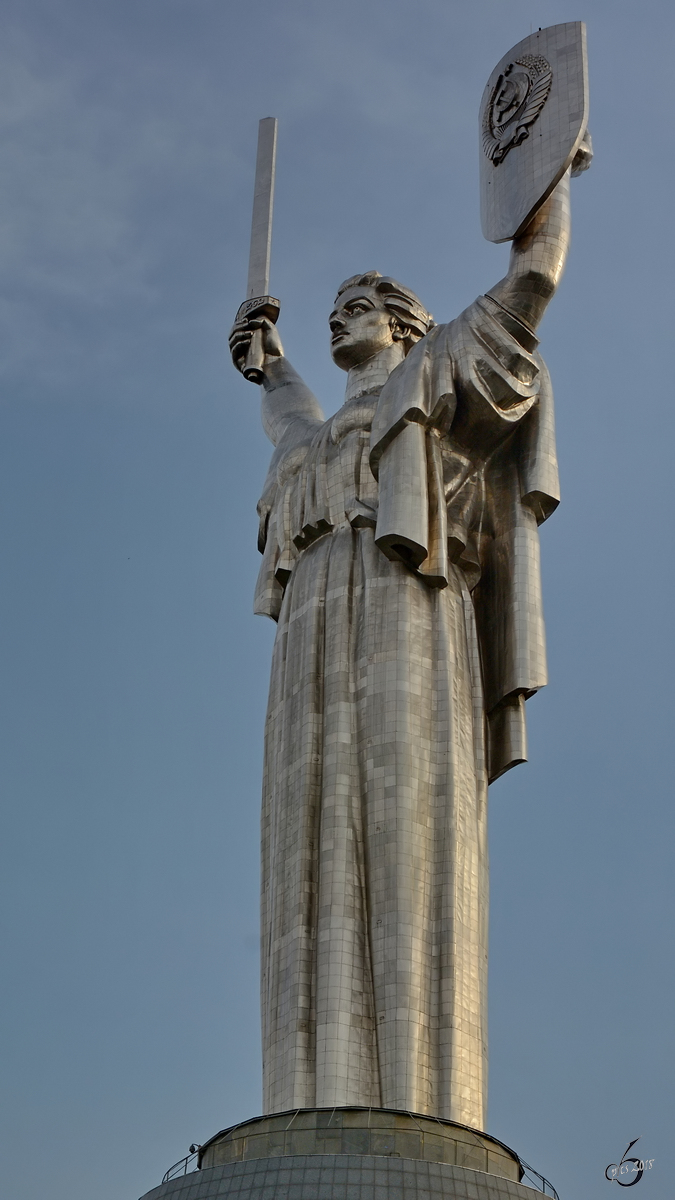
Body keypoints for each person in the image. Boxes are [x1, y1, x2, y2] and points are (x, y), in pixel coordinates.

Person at [229, 141, 590, 1129]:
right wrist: (268, 361)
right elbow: (286, 414)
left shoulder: (433, 375)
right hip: (311, 628)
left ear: (402, 325)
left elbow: (532, 284)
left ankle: (419, 1110)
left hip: (407, 600)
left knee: (406, 828)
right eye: (335, 302)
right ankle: (308, 1106)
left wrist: (548, 180)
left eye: (360, 300)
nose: (340, 307)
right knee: (306, 839)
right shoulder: (312, 440)